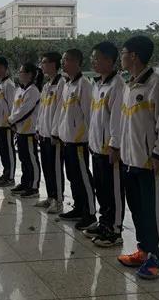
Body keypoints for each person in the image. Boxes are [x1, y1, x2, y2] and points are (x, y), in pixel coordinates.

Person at [117, 36, 159, 279]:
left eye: (123, 52)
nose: (121, 57)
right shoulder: (129, 85)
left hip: (149, 161)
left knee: (153, 212)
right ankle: (143, 250)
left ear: (134, 56)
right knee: (138, 210)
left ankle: (157, 258)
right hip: (129, 160)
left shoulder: (156, 85)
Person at [85, 42, 126, 247]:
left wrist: (114, 145)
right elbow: (95, 117)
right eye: (92, 58)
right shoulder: (97, 84)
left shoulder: (117, 85)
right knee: (101, 189)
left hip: (109, 148)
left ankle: (115, 230)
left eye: (97, 58)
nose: (93, 61)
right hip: (96, 147)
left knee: (113, 191)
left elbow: (117, 119)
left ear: (109, 60)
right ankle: (104, 223)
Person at [53, 48, 96, 231]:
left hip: (79, 142)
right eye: (63, 60)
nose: (63, 63)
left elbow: (89, 115)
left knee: (83, 177)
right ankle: (78, 208)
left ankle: (90, 213)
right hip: (67, 140)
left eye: (66, 60)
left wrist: (90, 139)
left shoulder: (83, 85)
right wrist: (58, 133)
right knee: (73, 176)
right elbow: (63, 112)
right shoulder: (68, 84)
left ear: (77, 62)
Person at [35, 52, 65, 214]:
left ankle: (58, 200)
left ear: (54, 64)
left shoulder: (61, 83)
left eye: (44, 62)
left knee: (55, 169)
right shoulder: (47, 85)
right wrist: (38, 128)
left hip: (54, 136)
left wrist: (55, 132)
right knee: (47, 167)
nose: (42, 65)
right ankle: (50, 196)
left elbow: (60, 110)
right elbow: (42, 109)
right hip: (44, 133)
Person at [9, 62, 43, 198]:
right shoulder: (19, 90)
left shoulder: (33, 91)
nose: (19, 74)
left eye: (22, 72)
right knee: (23, 158)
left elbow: (25, 111)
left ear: (29, 75)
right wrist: (13, 121)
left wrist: (11, 120)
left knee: (31, 159)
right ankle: (25, 183)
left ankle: (33, 187)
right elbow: (15, 108)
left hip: (29, 131)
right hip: (20, 130)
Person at [0, 57, 17, 187]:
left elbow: (13, 106)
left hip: (7, 125)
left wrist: (12, 123)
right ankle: (5, 174)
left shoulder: (9, 85)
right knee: (2, 150)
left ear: (2, 68)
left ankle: (10, 177)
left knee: (8, 151)